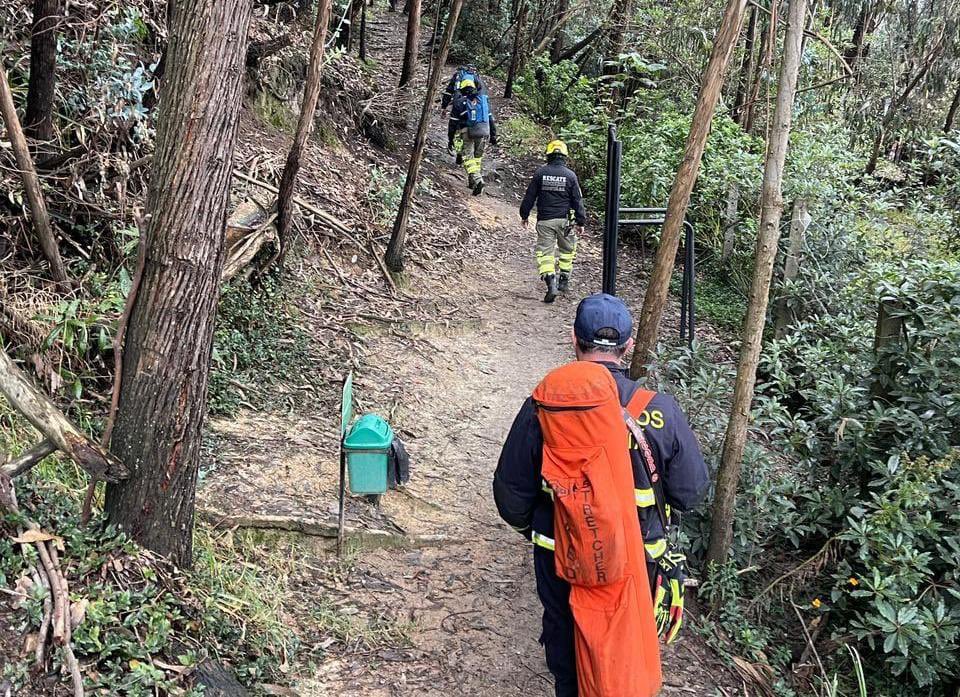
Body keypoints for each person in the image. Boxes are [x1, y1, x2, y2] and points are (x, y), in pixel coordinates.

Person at [493, 293, 709, 697]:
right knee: (623, 658)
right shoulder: (658, 409)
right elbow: (691, 493)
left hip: (560, 557)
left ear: (573, 340)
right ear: (627, 348)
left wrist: (541, 529)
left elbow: (510, 495)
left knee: (567, 653)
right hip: (636, 560)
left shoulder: (544, 406)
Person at [519, 140, 587, 303]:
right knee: (567, 250)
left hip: (545, 221)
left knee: (545, 253)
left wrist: (524, 215)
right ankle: (564, 280)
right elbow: (577, 200)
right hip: (566, 222)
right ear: (564, 156)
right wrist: (580, 221)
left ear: (548, 155)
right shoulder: (571, 176)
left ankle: (551, 284)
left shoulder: (540, 173)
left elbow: (530, 196)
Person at [449, 80, 498, 195]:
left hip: (467, 133)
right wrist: (493, 135)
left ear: (461, 89)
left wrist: (450, 139)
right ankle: (472, 183)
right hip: (483, 131)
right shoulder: (482, 101)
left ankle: (477, 180)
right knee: (477, 158)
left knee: (468, 158)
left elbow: (453, 124)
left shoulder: (460, 102)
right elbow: (490, 119)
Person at [441, 65, 486, 152]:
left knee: (455, 124)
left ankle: (454, 145)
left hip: (458, 101)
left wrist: (444, 106)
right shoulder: (476, 76)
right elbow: (481, 92)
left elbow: (449, 91)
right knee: (469, 122)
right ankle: (468, 146)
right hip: (472, 104)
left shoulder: (458, 75)